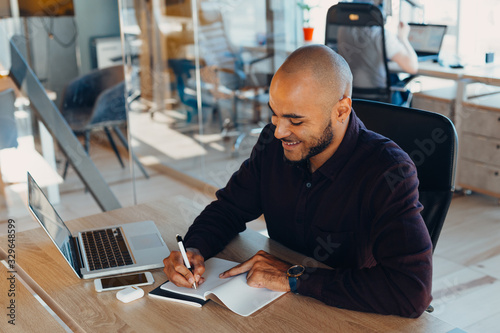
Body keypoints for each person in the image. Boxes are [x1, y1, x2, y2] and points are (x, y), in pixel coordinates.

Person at [163, 44, 432, 317]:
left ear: (340, 110)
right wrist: (194, 248)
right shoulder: (273, 143)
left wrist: (293, 277)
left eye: (295, 120)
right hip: (273, 306)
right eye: (275, 113)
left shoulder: (387, 171)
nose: (279, 131)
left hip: (348, 315)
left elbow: (411, 291)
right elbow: (229, 208)